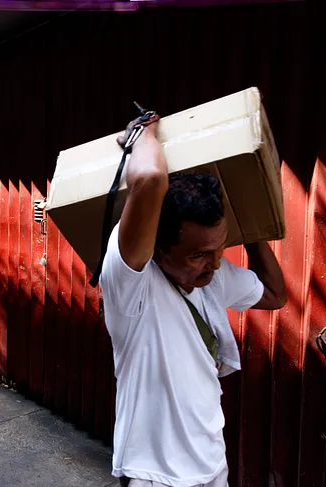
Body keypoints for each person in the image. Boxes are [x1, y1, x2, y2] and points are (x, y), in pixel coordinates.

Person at [100, 115, 287, 487]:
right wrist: (145, 133)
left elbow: (275, 295)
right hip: (155, 476)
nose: (215, 264)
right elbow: (151, 179)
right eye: (199, 254)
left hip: (212, 464)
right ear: (158, 249)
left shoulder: (211, 280)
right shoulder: (132, 286)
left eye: (220, 248)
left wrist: (252, 228)